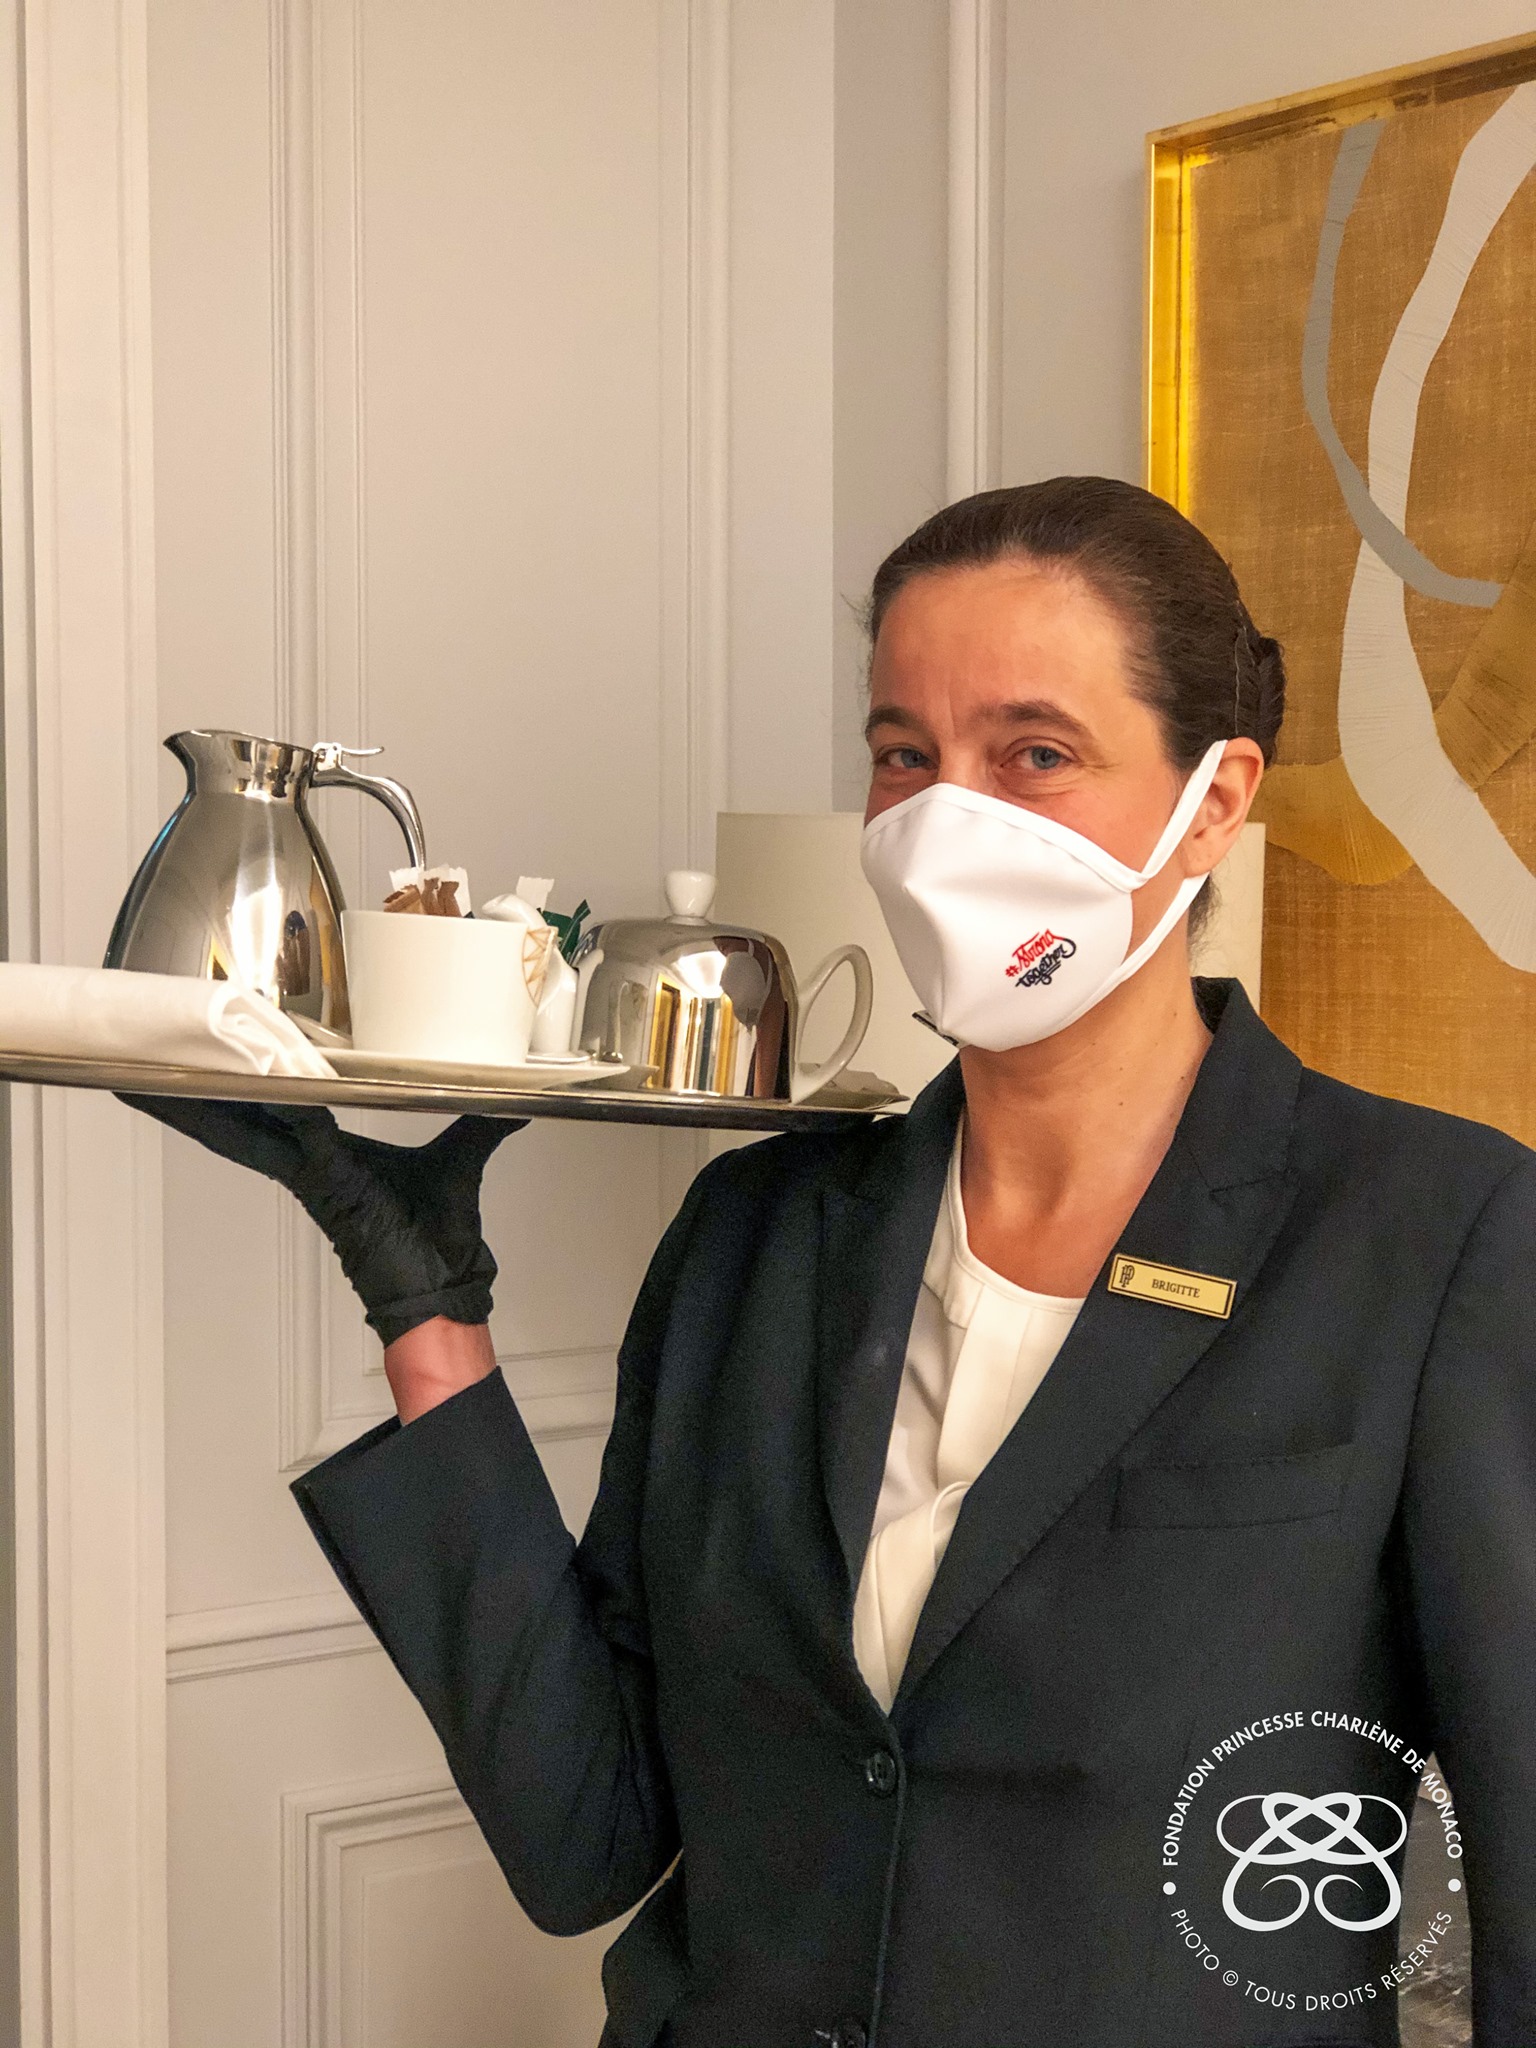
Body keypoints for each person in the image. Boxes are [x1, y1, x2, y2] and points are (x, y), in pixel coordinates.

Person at [129, 478, 1536, 2048]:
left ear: (1213, 802)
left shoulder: (1434, 1235)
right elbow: (585, 1832)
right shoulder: (755, 1233)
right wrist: (425, 1310)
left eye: (1036, 754)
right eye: (904, 757)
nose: (947, 823)